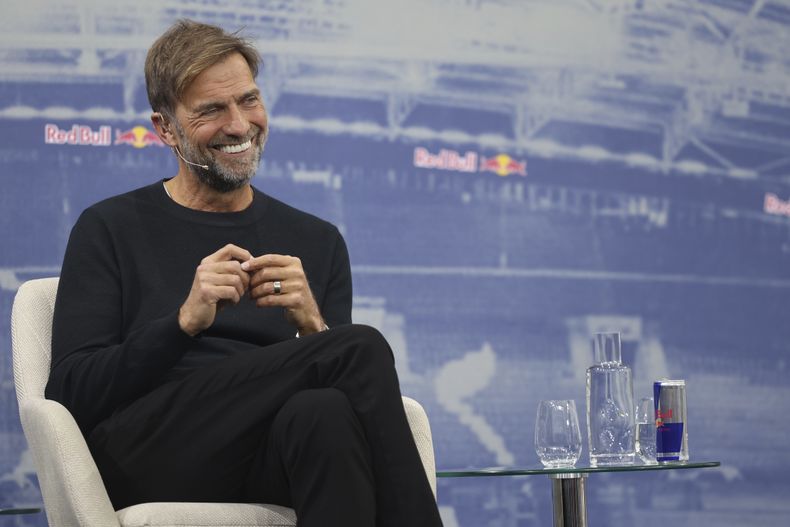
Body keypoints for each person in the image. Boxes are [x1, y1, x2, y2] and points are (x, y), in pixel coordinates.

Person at [45, 19, 442, 527]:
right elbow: (69, 393)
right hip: (149, 454)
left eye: (248, 101)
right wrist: (182, 323)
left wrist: (311, 327)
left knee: (325, 417)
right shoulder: (110, 226)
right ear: (165, 128)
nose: (238, 125)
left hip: (264, 455)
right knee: (357, 347)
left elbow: (342, 384)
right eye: (211, 110)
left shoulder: (317, 241)